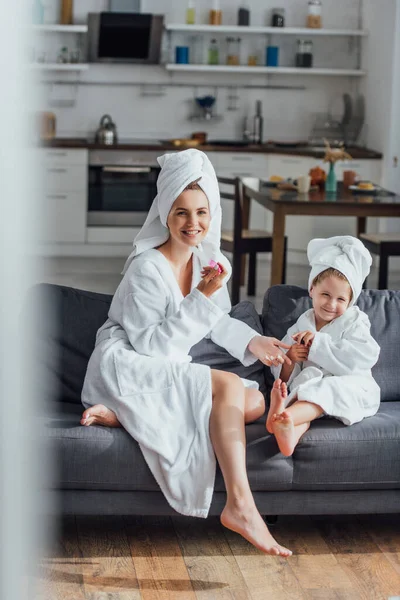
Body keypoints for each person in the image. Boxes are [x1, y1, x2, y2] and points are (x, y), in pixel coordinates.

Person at [80, 148, 293, 556]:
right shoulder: (146, 269)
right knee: (229, 385)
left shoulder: (208, 263)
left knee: (253, 400)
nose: (192, 224)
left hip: (162, 363)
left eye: (201, 212)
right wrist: (201, 296)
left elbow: (213, 320)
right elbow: (155, 347)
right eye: (181, 212)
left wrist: (254, 341)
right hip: (129, 363)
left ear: (212, 215)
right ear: (164, 214)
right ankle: (240, 505)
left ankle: (127, 413)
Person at [267, 235, 381, 457]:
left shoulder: (356, 321)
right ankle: (288, 432)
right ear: (312, 290)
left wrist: (318, 343)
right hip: (309, 391)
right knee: (306, 392)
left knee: (325, 389)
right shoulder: (302, 324)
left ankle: (283, 417)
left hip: (352, 386)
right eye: (325, 295)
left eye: (341, 299)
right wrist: (291, 358)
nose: (331, 304)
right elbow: (283, 369)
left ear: (350, 302)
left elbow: (363, 358)